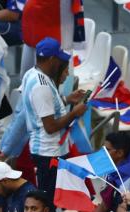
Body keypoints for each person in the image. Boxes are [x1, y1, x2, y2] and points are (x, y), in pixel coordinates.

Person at [22, 37, 86, 195]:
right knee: (47, 203)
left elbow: (44, 108)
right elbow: (50, 127)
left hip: (47, 151)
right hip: (48, 153)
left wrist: (67, 99)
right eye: (59, 60)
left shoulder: (32, 73)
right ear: (51, 59)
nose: (61, 65)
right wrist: (74, 113)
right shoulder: (41, 86)